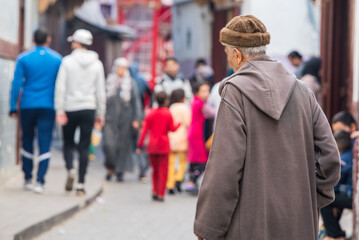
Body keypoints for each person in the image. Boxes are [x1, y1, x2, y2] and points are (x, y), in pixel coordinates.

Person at [194, 15, 340, 240]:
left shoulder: (235, 93)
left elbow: (224, 168)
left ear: (237, 53)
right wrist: (306, 200)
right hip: (298, 226)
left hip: (248, 226)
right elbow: (330, 158)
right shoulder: (303, 92)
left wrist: (208, 229)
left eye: (227, 53)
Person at [9, 29, 62, 194]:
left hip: (27, 105)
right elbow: (61, 85)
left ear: (32, 39)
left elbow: (16, 84)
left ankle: (27, 178)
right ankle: (40, 180)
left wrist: (12, 106)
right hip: (48, 105)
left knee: (27, 139)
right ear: (48, 39)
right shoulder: (57, 59)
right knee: (45, 141)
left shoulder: (23, 58)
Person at [55, 29, 106, 196]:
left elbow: (60, 87)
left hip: (70, 108)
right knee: (84, 146)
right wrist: (101, 113)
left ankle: (71, 169)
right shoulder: (97, 64)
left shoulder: (67, 62)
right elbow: (100, 91)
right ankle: (81, 184)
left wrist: (59, 109)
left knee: (68, 143)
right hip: (89, 108)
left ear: (77, 43)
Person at [103, 57, 142, 182]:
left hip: (126, 119)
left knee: (123, 146)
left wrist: (137, 118)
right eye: (119, 67)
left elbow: (136, 102)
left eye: (124, 68)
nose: (121, 70)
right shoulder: (109, 81)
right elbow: (102, 99)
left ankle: (120, 171)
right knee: (109, 145)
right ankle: (110, 167)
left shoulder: (130, 83)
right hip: (109, 118)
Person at [137, 92, 180, 202]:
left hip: (152, 145)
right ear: (166, 101)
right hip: (163, 145)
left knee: (154, 170)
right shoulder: (167, 113)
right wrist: (179, 124)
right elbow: (172, 128)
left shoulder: (151, 113)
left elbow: (144, 130)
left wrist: (140, 145)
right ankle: (161, 193)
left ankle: (154, 190)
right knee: (163, 170)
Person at [321, 130, 353, 240]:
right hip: (349, 195)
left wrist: (330, 194)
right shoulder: (349, 155)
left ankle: (334, 234)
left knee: (324, 200)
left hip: (351, 196)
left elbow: (336, 179)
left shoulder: (344, 159)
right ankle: (336, 232)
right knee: (332, 200)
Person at [186, 81, 212, 193]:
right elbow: (212, 113)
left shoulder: (194, 101)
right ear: (197, 92)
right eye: (204, 91)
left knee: (194, 160)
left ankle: (190, 181)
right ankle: (191, 182)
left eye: (208, 91)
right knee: (202, 161)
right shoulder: (201, 103)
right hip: (198, 134)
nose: (207, 93)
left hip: (193, 132)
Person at [167, 89, 191, 194]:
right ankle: (178, 178)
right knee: (182, 161)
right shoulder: (184, 107)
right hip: (182, 136)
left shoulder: (171, 107)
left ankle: (170, 184)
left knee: (171, 163)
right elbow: (188, 122)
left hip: (171, 136)